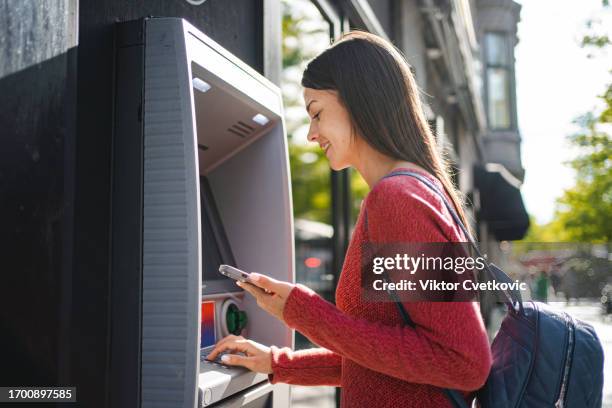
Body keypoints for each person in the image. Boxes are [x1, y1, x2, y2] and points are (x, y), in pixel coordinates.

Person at [207, 31, 492, 407]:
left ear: (359, 102)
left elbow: (464, 362)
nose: (311, 134)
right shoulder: (411, 192)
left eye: (317, 113)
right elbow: (387, 358)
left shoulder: (398, 200)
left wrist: (300, 310)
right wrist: (277, 362)